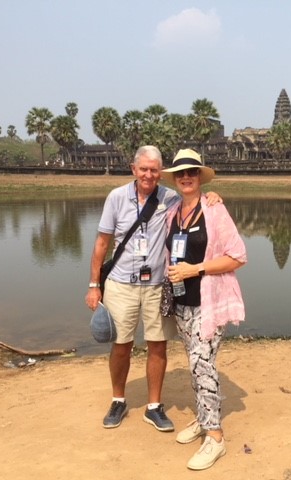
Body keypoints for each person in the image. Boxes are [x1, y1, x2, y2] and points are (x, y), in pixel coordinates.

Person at [85, 145, 220, 431]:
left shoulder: (169, 198)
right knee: (121, 345)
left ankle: (154, 406)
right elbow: (101, 244)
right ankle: (118, 400)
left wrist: (210, 197)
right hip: (121, 283)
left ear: (161, 173)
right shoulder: (117, 198)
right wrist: (94, 284)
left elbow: (192, 199)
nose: (148, 174)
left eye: (154, 170)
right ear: (133, 170)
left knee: (157, 345)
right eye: (143, 169)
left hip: (158, 285)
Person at [162, 148, 247, 471]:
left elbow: (238, 256)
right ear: (175, 179)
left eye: (192, 172)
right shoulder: (173, 212)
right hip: (182, 303)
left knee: (202, 364)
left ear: (200, 177)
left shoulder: (214, 211)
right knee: (197, 362)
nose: (186, 177)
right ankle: (203, 417)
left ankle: (215, 436)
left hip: (210, 302)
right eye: (181, 173)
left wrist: (194, 269)